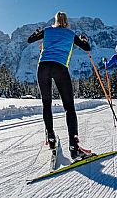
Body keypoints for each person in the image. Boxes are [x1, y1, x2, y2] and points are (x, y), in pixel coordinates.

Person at [27, 11, 91, 159]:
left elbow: (30, 40)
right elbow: (87, 48)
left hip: (43, 67)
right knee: (69, 108)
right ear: (67, 21)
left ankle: (51, 138)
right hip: (60, 68)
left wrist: (37, 32)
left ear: (55, 20)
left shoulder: (47, 31)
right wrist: (84, 40)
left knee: (46, 104)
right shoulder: (71, 34)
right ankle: (74, 148)